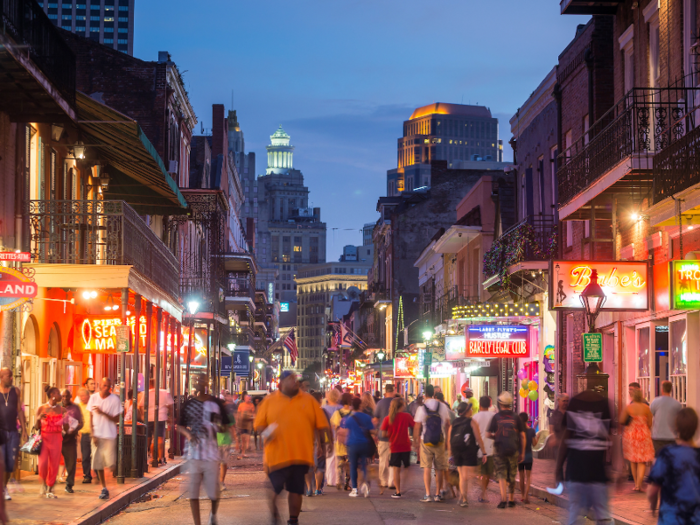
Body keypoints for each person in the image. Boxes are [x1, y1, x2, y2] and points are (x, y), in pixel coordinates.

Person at [254, 370, 330, 525]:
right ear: (281, 383)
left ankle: (293, 520)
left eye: (295, 379)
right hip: (276, 456)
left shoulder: (308, 400)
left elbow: (322, 425)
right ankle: (275, 514)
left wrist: (327, 444)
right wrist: (267, 433)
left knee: (296, 491)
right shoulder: (269, 401)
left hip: (300, 455)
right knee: (275, 489)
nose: (294, 382)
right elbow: (259, 426)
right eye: (290, 379)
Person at [555, 386, 612, 525]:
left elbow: (565, 439)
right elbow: (609, 440)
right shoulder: (604, 404)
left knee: (575, 513)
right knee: (602, 514)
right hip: (597, 472)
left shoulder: (574, 403)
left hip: (576, 470)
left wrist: (558, 468)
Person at [178, 374, 229, 525]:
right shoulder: (189, 404)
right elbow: (179, 425)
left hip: (211, 454)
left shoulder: (216, 403)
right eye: (197, 381)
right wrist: (188, 434)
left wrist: (218, 426)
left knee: (213, 492)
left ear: (207, 383)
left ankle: (213, 515)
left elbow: (224, 427)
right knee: (193, 493)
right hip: (194, 453)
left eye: (202, 380)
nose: (199, 383)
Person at [647, 407, 700, 524]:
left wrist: (653, 505)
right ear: (696, 428)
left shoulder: (667, 453)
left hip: (671, 517)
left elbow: (652, 491)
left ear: (676, 427)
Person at [413, 384, 452, 502]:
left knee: (427, 468)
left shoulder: (422, 408)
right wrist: (447, 441)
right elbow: (448, 424)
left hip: (425, 441)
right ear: (434, 394)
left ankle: (428, 494)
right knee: (439, 468)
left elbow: (417, 426)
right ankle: (437, 494)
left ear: (425, 394)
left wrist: (415, 443)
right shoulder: (442, 406)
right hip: (440, 440)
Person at [487, 392, 526, 509]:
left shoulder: (496, 417)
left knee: (501, 474)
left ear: (500, 404)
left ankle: (503, 499)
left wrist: (496, 437)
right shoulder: (516, 417)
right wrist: (522, 452)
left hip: (499, 449)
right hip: (513, 449)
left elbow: (488, 434)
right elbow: (523, 436)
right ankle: (512, 499)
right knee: (512, 474)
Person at [87, 378, 122, 500]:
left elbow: (116, 419)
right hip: (98, 435)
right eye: (103, 385)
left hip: (109, 435)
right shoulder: (93, 398)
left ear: (110, 387)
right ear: (100, 385)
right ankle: (104, 488)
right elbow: (90, 417)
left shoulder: (114, 400)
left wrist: (103, 413)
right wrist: (93, 434)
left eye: (108, 386)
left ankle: (116, 473)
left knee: (111, 465)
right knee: (98, 464)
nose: (105, 388)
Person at [448, 401, 487, 508]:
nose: (471, 411)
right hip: (467, 450)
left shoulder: (454, 422)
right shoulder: (471, 422)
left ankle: (462, 496)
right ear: (466, 411)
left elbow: (449, 439)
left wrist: (450, 453)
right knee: (465, 475)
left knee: (462, 475)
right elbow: (478, 438)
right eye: (470, 409)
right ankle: (464, 498)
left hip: (456, 450)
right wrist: (484, 452)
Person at [0, 367, 27, 501]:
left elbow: (20, 411)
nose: (11, 378)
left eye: (11, 376)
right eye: (8, 376)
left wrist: (24, 430)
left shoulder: (15, 391)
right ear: (1, 377)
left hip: (13, 432)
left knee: (10, 464)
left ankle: (3, 487)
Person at [35, 387, 68, 498]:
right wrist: (38, 418)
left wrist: (65, 420)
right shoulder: (41, 408)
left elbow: (67, 428)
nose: (61, 396)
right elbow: (36, 427)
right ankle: (43, 482)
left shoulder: (63, 410)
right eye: (59, 393)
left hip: (57, 438)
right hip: (44, 438)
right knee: (43, 463)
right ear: (52, 395)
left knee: (54, 464)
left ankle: (50, 487)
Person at [620, 387, 654, 492]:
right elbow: (650, 423)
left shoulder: (628, 408)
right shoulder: (647, 408)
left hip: (631, 435)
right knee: (642, 461)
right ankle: (640, 484)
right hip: (644, 435)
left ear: (632, 396)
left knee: (633, 460)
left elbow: (621, 420)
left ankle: (636, 485)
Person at [380, 397, 414, 499]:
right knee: (407, 467)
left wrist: (391, 435)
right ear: (402, 406)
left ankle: (398, 491)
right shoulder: (407, 416)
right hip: (406, 445)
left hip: (394, 446)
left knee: (396, 470)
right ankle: (405, 482)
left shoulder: (388, 418)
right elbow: (414, 425)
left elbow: (383, 433)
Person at [340, 397, 374, 497]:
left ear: (352, 406)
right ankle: (365, 484)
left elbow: (346, 432)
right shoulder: (367, 417)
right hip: (364, 443)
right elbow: (372, 430)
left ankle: (355, 489)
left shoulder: (349, 418)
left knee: (353, 467)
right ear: (360, 405)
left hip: (352, 444)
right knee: (364, 465)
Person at [138, 377, 174, 464]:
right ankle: (160, 458)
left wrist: (143, 416)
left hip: (149, 418)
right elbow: (170, 405)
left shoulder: (145, 393)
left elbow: (140, 406)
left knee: (148, 438)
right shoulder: (164, 392)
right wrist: (170, 417)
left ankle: (149, 457)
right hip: (160, 418)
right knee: (160, 439)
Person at [373, 384, 396, 493]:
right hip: (395, 435)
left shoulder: (380, 403)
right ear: (394, 391)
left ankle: (383, 481)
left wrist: (375, 432)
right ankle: (392, 481)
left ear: (385, 391)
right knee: (393, 459)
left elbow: (376, 419)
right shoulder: (398, 403)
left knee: (383, 459)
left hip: (383, 434)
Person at [472, 396, 495, 503]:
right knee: (487, 473)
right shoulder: (494, 416)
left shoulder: (475, 417)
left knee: (478, 471)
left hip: (478, 448)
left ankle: (482, 491)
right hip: (490, 448)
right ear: (490, 404)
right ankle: (483, 491)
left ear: (480, 405)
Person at [650, 380, 682, 456]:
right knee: (670, 458)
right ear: (671, 390)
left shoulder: (655, 402)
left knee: (659, 458)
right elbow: (679, 419)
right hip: (672, 436)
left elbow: (650, 415)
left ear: (662, 389)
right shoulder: (677, 404)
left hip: (658, 436)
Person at [61, 389, 84, 494]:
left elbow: (81, 422)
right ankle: (48, 485)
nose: (65, 398)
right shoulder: (57, 407)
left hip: (70, 439)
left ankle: (69, 485)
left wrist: (74, 429)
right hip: (58, 439)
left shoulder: (75, 408)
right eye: (63, 396)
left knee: (71, 463)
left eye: (67, 396)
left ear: (70, 396)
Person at [330, 393, 353, 491]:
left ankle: (339, 481)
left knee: (340, 463)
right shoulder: (353, 413)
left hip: (339, 442)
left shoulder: (337, 413)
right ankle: (347, 484)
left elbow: (334, 426)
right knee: (349, 464)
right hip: (351, 442)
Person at [216, 392, 236, 491]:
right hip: (215, 442)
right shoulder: (213, 416)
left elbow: (232, 428)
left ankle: (221, 482)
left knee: (223, 462)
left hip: (225, 441)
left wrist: (237, 441)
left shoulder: (228, 415)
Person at [322, 389, 341, 488]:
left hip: (327, 436)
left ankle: (330, 480)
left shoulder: (323, 408)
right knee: (338, 459)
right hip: (339, 437)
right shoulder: (341, 408)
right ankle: (338, 479)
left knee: (329, 459)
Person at [75, 387, 94, 484]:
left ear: (87, 395)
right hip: (85, 434)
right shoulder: (79, 406)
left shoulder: (93, 404)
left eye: (83, 396)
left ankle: (99, 473)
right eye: (79, 396)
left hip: (95, 434)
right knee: (85, 456)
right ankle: (87, 475)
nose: (81, 398)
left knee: (96, 455)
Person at [517, 412, 537, 504]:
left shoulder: (518, 432)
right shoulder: (532, 431)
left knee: (521, 477)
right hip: (528, 455)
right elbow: (534, 444)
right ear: (527, 419)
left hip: (520, 455)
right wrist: (538, 437)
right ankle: (526, 496)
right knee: (528, 477)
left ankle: (522, 495)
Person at [236, 394, 255, 459]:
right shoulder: (241, 405)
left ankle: (247, 448)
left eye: (250, 399)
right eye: (248, 398)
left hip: (248, 424)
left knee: (248, 437)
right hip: (242, 424)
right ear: (245, 398)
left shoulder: (251, 405)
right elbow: (238, 413)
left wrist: (253, 418)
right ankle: (243, 453)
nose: (249, 400)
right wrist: (237, 421)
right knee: (243, 439)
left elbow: (253, 413)